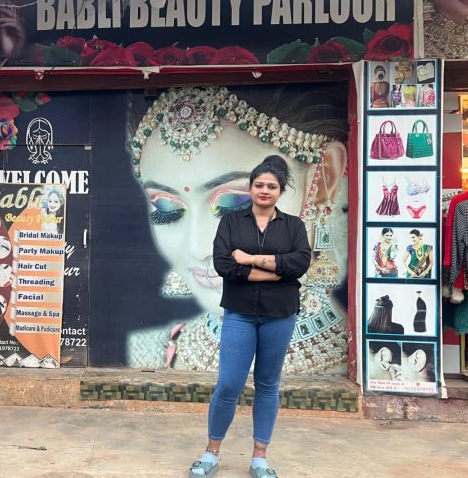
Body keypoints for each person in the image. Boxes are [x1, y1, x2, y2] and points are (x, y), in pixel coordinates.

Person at [126, 85, 349, 376]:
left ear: (323, 181)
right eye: (168, 209)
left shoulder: (386, 364)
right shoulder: (146, 354)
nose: (197, 247)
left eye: (233, 203)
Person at [187, 155, 310, 478]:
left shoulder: (294, 226)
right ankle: (211, 452)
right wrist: (275, 270)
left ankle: (259, 457)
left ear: (280, 191)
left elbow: (299, 263)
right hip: (239, 313)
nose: (264, 190)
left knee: (268, 384)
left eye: (271, 186)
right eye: (259, 185)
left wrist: (251, 259)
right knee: (229, 384)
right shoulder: (231, 222)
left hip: (280, 315)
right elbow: (224, 265)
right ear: (250, 188)